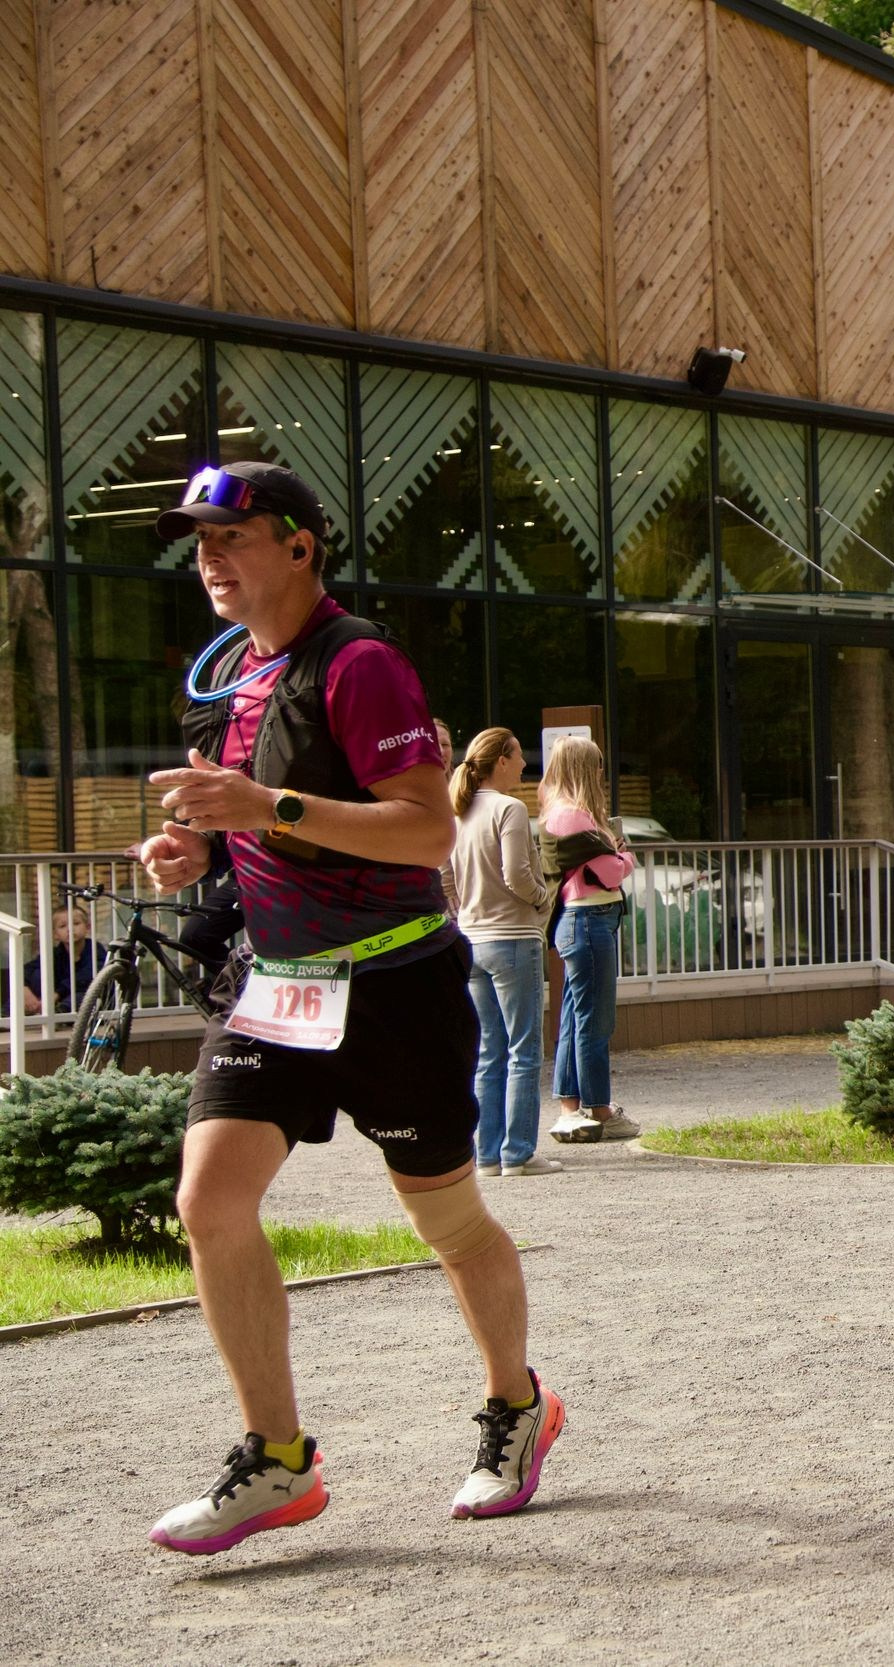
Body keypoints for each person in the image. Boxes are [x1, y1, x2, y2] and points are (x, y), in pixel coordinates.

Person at [136, 460, 560, 1555]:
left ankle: (518, 1406)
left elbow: (428, 830)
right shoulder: (241, 676)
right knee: (208, 1200)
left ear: (300, 545)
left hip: (397, 987)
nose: (211, 559)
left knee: (449, 1222)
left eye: (232, 536)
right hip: (275, 984)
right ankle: (277, 1459)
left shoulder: (359, 661)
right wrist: (200, 847)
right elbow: (266, 822)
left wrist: (260, 802)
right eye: (200, 542)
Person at [449, 728, 558, 1174]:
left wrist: (463, 910)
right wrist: (542, 897)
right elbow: (516, 871)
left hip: (471, 938)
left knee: (488, 1051)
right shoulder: (509, 808)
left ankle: (488, 1154)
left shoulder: (458, 808)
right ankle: (519, 1152)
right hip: (513, 936)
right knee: (524, 1050)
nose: (522, 766)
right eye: (517, 758)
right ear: (501, 762)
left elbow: (442, 875)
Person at [540, 736, 639, 1144]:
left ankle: (570, 1107)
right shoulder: (576, 818)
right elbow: (615, 872)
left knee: (574, 1017)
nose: (601, 773)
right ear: (583, 768)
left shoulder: (558, 812)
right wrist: (623, 853)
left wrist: (615, 854)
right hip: (589, 920)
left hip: (579, 922)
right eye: (596, 766)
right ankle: (600, 1109)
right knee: (595, 1021)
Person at [19, 901, 102, 1014]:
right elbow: (27, 969)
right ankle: (10, 1013)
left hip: (83, 997)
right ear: (55, 934)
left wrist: (57, 993)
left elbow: (86, 977)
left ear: (87, 927)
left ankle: (59, 1012)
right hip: (57, 997)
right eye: (62, 926)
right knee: (37, 974)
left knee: (84, 996)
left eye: (76, 923)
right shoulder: (55, 954)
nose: (70, 929)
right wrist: (24, 989)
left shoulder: (95, 950)